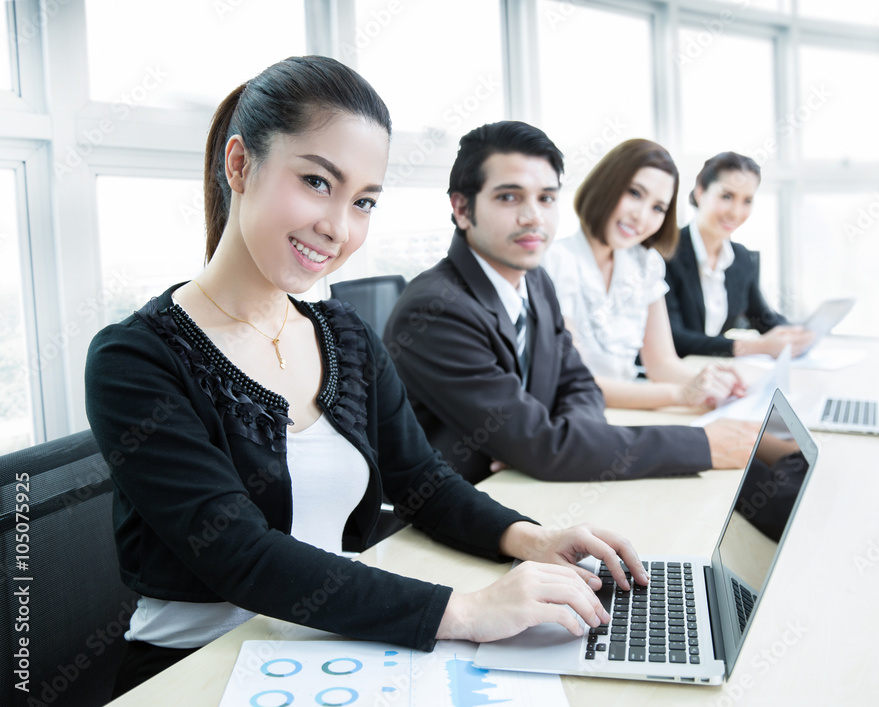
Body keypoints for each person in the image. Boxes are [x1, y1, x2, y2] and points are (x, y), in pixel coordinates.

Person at [84, 57, 648, 697]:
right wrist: (466, 611)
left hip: (337, 648)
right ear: (239, 165)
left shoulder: (343, 335)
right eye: (317, 182)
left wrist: (532, 539)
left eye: (364, 201)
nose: (339, 227)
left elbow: (423, 483)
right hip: (195, 672)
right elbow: (241, 556)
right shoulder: (135, 359)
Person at [384, 121, 759, 485]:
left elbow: (579, 383)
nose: (533, 217)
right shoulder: (436, 309)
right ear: (463, 209)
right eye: (509, 197)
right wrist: (706, 445)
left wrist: (557, 441)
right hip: (452, 515)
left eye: (546, 198)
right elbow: (544, 445)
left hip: (524, 486)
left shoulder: (533, 280)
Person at [544, 138, 746, 410]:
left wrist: (717, 383)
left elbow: (661, 363)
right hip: (577, 415)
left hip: (627, 410)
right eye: (635, 194)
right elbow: (576, 382)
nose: (641, 217)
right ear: (605, 184)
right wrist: (680, 395)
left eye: (658, 208)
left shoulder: (646, 263)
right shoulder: (555, 262)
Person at [664, 152, 813, 358]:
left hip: (712, 375)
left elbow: (763, 319)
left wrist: (799, 334)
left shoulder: (740, 258)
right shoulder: (666, 254)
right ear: (700, 193)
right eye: (726, 196)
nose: (735, 212)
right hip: (665, 379)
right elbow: (674, 339)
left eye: (747, 200)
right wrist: (754, 347)